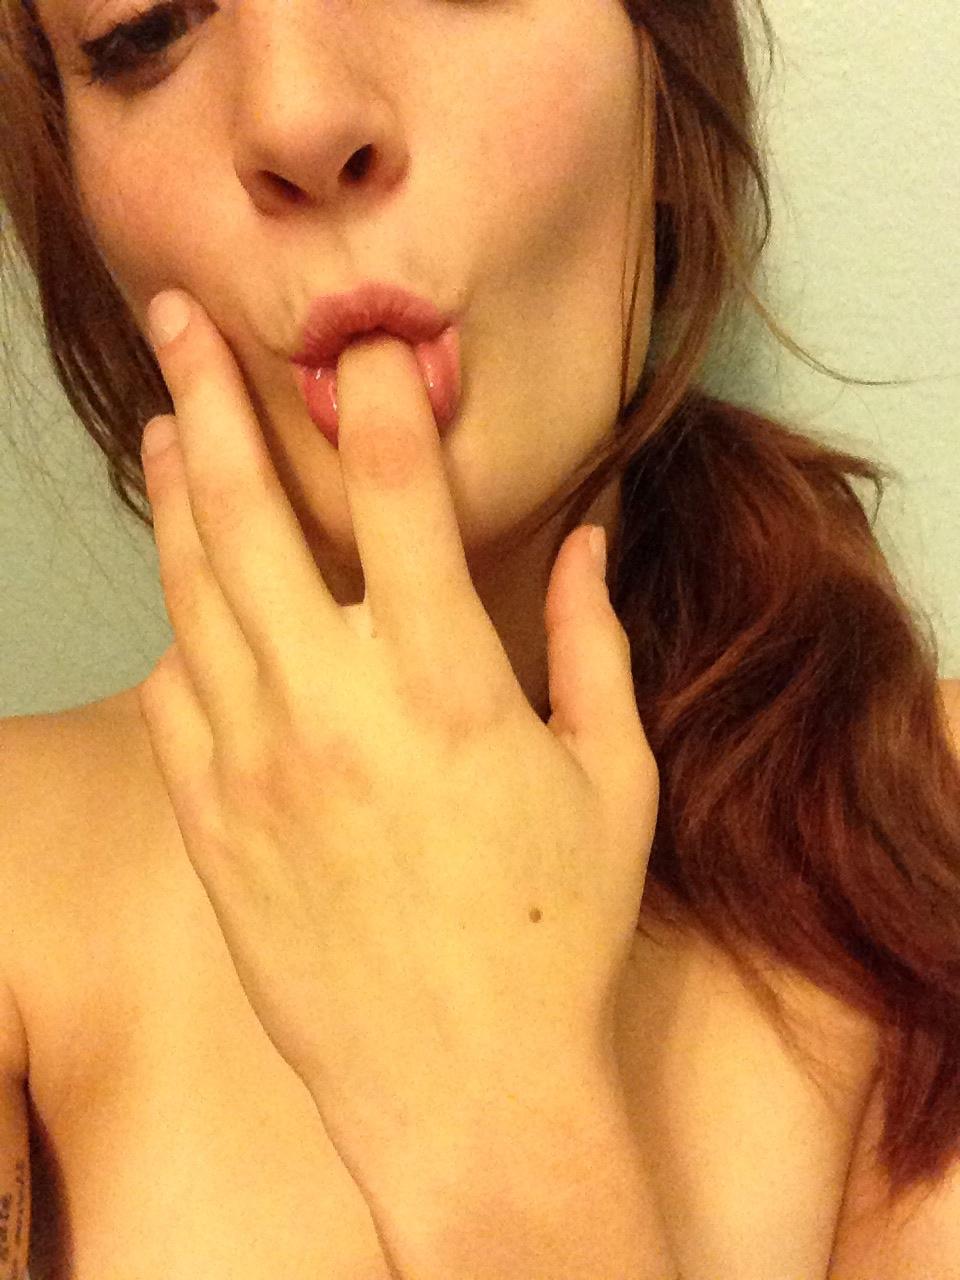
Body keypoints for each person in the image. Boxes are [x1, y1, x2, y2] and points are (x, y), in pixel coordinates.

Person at [1, 0, 958, 1275]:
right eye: (142, 26)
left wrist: (492, 1122)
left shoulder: (931, 855)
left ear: (663, 75)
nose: (297, 116)